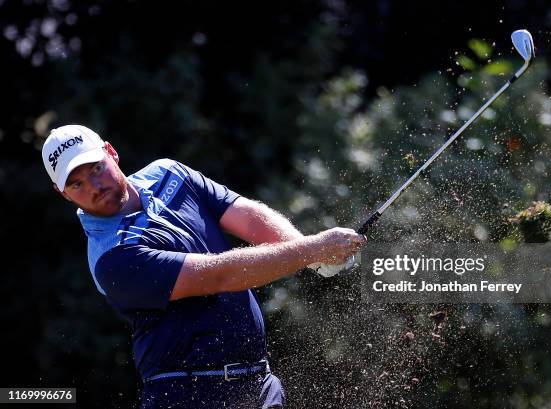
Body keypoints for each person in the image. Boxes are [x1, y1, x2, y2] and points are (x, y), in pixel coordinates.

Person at [42, 124, 366, 409]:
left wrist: (313, 256)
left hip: (257, 382)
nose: (94, 186)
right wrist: (313, 249)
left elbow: (247, 215)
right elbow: (219, 275)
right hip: (187, 392)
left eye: (96, 168)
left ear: (111, 152)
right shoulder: (112, 257)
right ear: (63, 195)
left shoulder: (170, 173)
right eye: (77, 184)